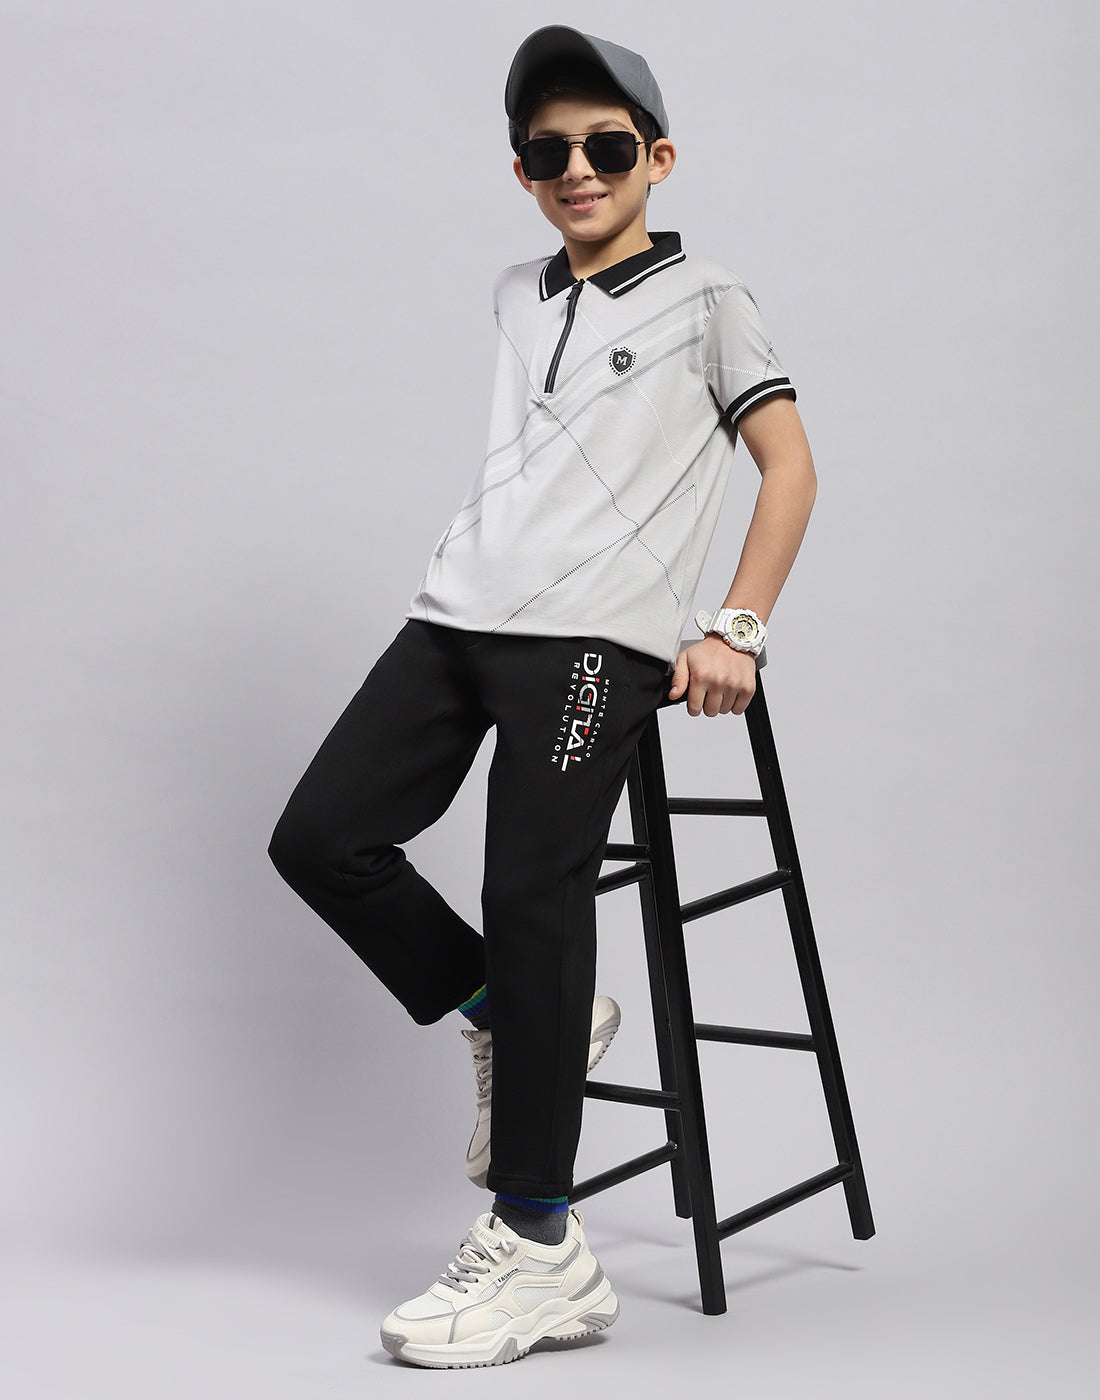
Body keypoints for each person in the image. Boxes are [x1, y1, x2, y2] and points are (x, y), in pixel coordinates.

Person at [268, 24, 817, 1369]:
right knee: (322, 838)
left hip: (592, 641)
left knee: (530, 891)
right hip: (457, 613)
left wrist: (738, 627)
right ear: (522, 172)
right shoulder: (518, 291)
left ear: (658, 158)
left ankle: (539, 1246)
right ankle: (509, 1018)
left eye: (606, 147)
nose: (578, 169)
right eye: (547, 152)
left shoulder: (710, 299)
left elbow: (790, 465)